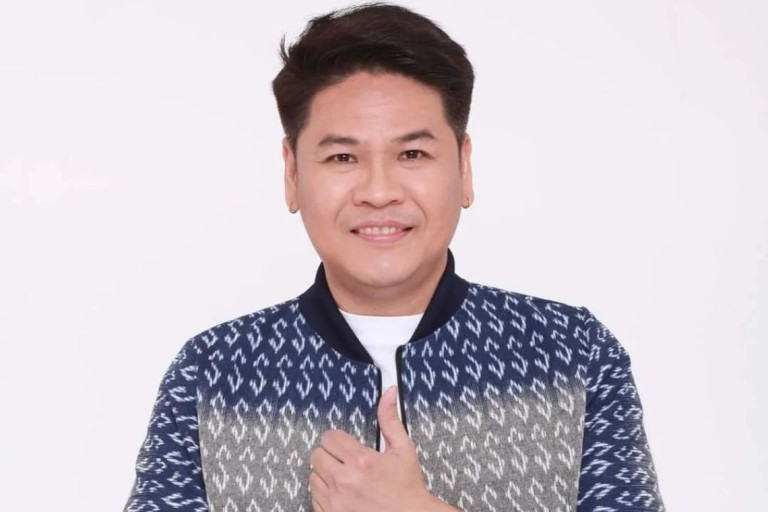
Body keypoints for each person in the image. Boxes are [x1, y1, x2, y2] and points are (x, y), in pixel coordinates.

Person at [123, 3, 665, 511]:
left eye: (412, 153)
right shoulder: (215, 372)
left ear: (463, 167)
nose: (379, 192)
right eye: (342, 157)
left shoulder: (572, 353)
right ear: (292, 174)